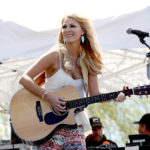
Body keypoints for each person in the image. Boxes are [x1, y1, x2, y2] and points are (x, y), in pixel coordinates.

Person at [19, 13, 126, 150]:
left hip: (75, 125)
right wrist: (48, 96)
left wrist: (114, 97)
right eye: (64, 26)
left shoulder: (89, 61)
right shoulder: (54, 56)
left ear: (83, 31)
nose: (67, 30)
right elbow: (25, 79)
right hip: (48, 128)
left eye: (72, 26)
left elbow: (94, 94)